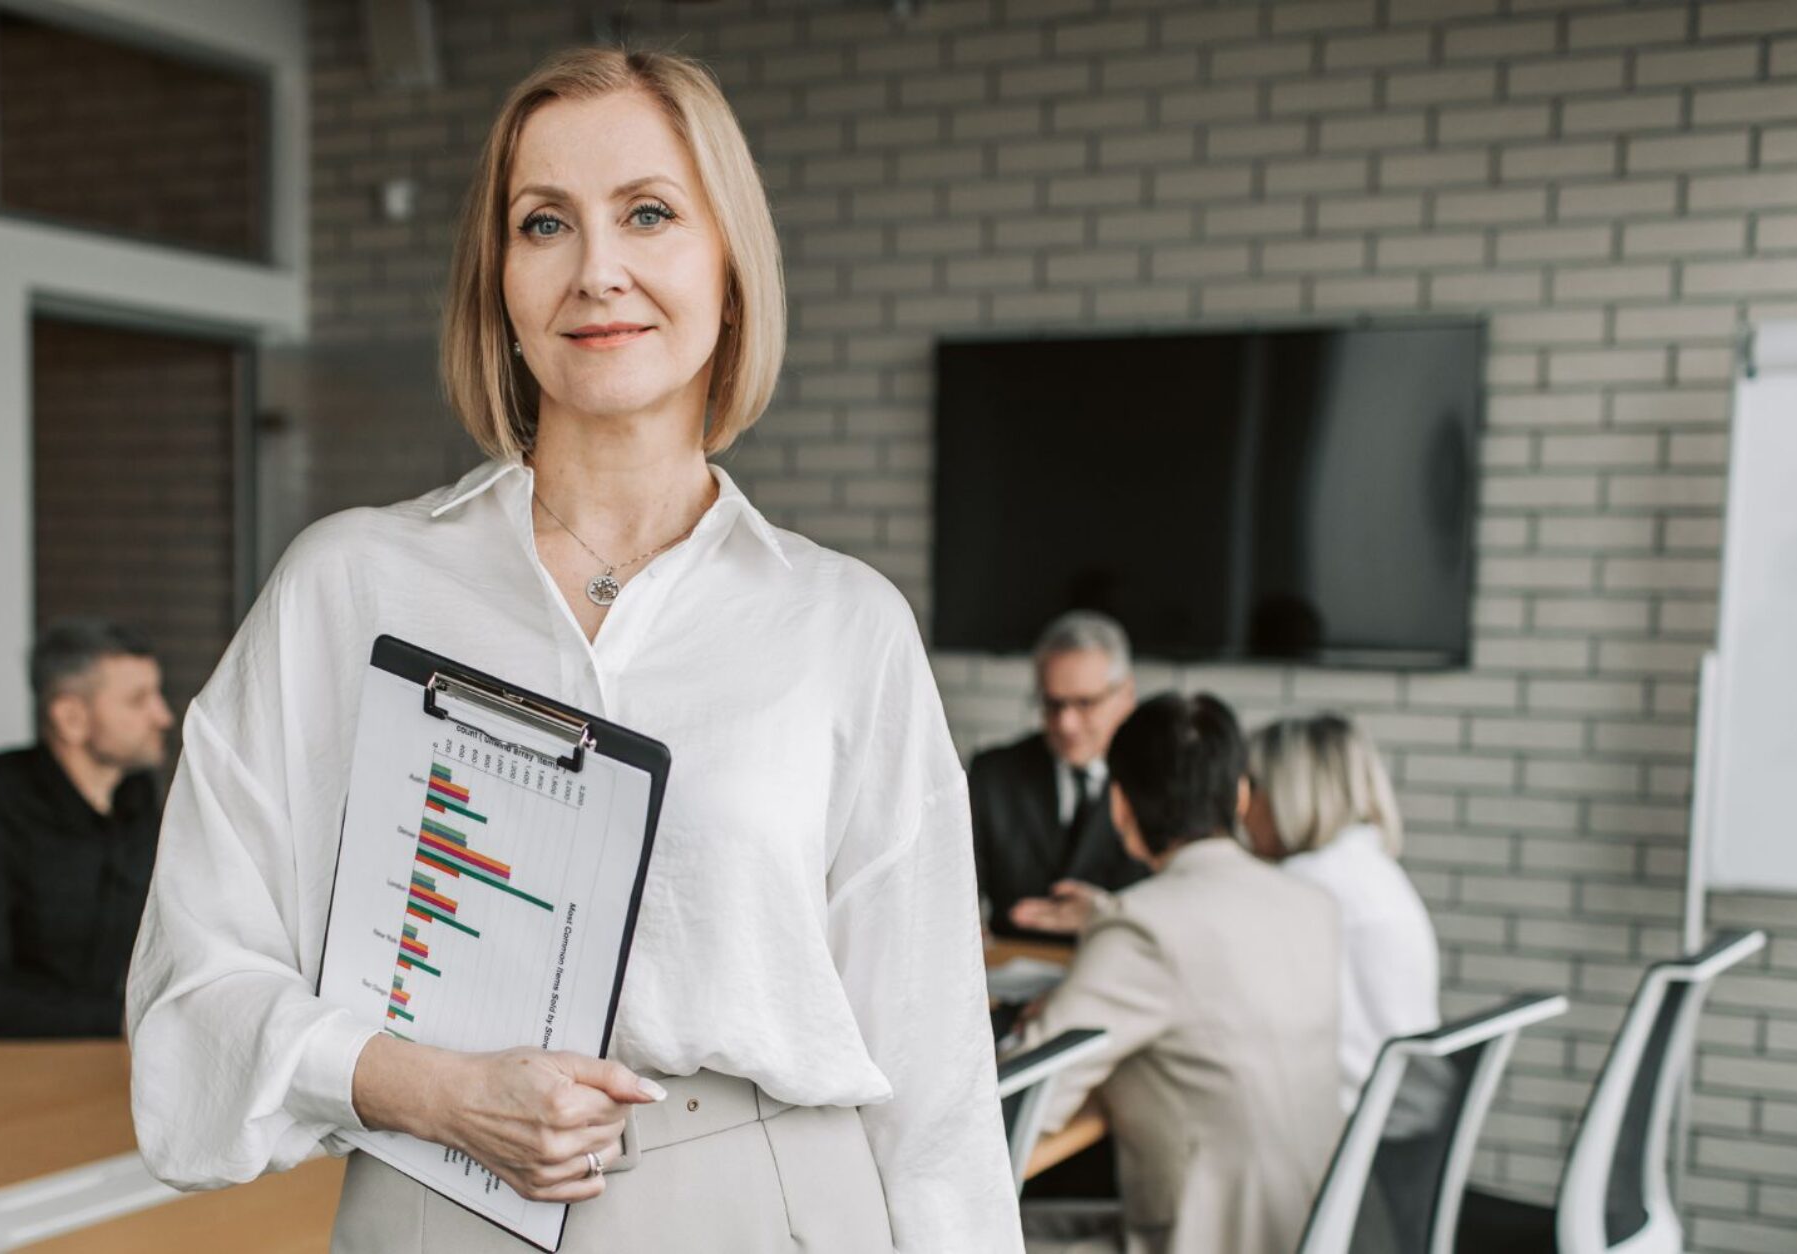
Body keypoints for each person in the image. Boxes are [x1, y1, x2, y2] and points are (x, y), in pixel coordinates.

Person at [124, 47, 1018, 1253]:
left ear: (730, 270)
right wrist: (430, 1089)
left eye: (649, 214)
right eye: (545, 223)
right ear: (498, 281)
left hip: (773, 1202)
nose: (599, 270)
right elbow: (195, 990)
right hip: (438, 1192)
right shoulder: (349, 588)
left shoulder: (842, 625)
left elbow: (935, 1064)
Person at [1005, 693, 1343, 1254]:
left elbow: (1023, 1102)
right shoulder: (1314, 905)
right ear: (1240, 795)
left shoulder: (1142, 929)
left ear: (1118, 805)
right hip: (1314, 1227)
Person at [0, 618, 172, 1037]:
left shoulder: (137, 797)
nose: (163, 716)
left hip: (104, 1053)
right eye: (137, 701)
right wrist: (122, 1018)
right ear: (71, 718)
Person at [1245, 713, 1440, 1111]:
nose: (1241, 809)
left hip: (1347, 1129)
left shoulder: (1304, 887)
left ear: (1287, 794)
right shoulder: (1370, 868)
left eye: (1252, 787)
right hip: (1396, 1122)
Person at [969, 610, 1147, 939]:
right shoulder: (993, 775)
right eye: (1052, 704)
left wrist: (1104, 914)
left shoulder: (1158, 780)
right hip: (1009, 973)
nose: (1066, 723)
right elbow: (957, 890)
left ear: (1126, 696)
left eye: (1085, 703)